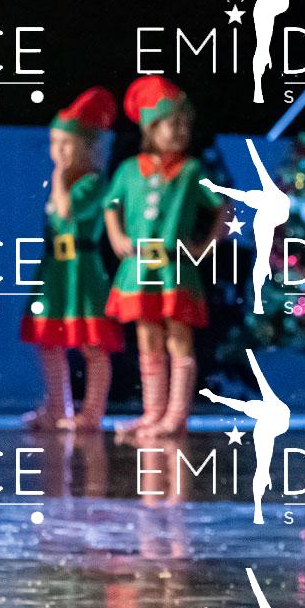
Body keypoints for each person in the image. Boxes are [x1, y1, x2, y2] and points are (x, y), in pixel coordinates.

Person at [103, 77, 228, 440]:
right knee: (147, 338)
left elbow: (223, 205)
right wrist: (117, 236)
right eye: (172, 124)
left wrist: (206, 245)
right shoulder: (130, 169)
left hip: (175, 268)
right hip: (140, 267)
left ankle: (176, 415)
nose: (180, 131)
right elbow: (111, 204)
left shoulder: (191, 171)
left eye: (185, 125)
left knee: (178, 337)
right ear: (151, 129)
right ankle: (152, 413)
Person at [20, 88, 123, 432]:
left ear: (88, 147)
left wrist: (60, 179)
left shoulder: (93, 182)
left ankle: (92, 413)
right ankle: (57, 407)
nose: (59, 151)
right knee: (48, 340)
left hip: (83, 271)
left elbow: (67, 211)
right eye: (55, 143)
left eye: (67, 143)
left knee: (92, 345)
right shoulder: (63, 181)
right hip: (57, 270)